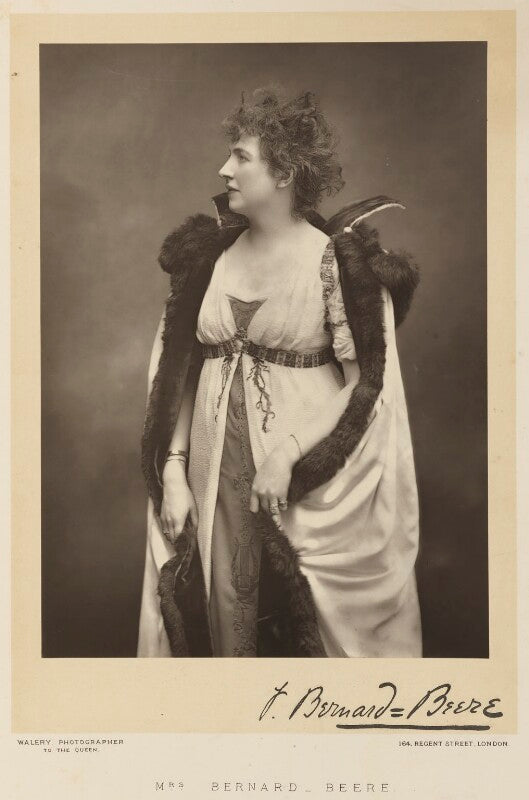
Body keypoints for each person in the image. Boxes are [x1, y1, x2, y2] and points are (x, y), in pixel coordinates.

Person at [137, 87, 422, 658]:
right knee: (220, 614)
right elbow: (181, 376)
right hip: (212, 476)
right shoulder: (210, 259)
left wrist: (287, 454)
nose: (225, 169)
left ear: (286, 174)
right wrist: (173, 469)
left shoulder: (334, 263)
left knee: (293, 633)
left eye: (241, 157)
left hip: (300, 485)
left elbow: (363, 387)